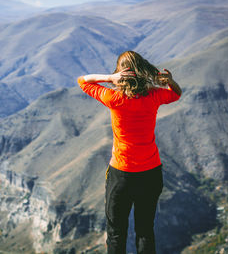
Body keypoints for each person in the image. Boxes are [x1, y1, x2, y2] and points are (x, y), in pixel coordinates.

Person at [77, 51, 181, 254]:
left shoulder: (113, 97)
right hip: (151, 173)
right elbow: (176, 94)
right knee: (145, 230)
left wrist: (109, 78)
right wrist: (170, 81)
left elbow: (83, 81)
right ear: (142, 69)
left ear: (120, 73)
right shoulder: (154, 95)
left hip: (121, 175)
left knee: (116, 233)